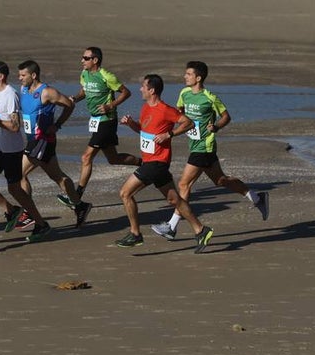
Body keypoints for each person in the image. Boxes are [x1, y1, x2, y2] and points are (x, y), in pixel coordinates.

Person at [151, 61, 269, 239]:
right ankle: (257, 197)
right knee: (221, 181)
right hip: (194, 145)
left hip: (204, 146)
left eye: (188, 74)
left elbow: (226, 117)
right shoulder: (184, 93)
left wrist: (216, 127)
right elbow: (179, 113)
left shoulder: (210, 97)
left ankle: (171, 226)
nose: (185, 76)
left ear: (198, 78)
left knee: (184, 184)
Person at [115, 74, 214, 253]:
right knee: (174, 199)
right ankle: (201, 230)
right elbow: (144, 131)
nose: (140, 89)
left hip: (157, 163)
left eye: (143, 86)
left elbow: (189, 123)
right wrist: (131, 124)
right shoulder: (145, 108)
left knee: (125, 193)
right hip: (151, 161)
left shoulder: (165, 109)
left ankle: (135, 233)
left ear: (152, 90)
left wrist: (170, 134)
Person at [0, 61, 53, 245]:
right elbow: (2, 120)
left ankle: (41, 224)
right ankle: (11, 210)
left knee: (15, 189)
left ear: (0, 76)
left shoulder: (10, 95)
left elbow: (15, 127)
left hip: (11, 151)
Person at [16, 59, 93, 229]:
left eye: (23, 75)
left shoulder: (47, 92)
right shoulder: (24, 90)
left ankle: (28, 213)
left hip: (42, 141)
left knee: (18, 173)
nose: (19, 78)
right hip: (33, 140)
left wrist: (57, 125)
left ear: (33, 75)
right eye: (19, 75)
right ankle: (80, 206)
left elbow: (69, 105)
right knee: (58, 177)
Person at [71, 46, 140, 200]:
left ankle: (76, 195)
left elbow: (126, 92)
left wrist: (110, 105)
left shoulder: (106, 76)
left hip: (107, 121)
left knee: (86, 157)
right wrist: (75, 98)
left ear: (95, 60)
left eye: (86, 58)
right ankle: (143, 163)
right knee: (113, 159)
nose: (82, 61)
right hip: (95, 120)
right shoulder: (84, 74)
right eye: (82, 57)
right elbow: (84, 90)